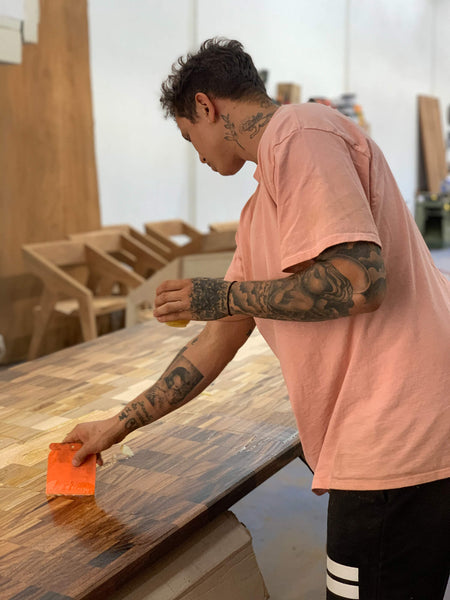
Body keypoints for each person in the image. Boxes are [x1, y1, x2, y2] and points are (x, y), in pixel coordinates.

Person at [64, 38, 450, 599]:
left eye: (186, 135)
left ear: (206, 107)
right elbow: (218, 338)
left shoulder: (301, 131)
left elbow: (360, 282)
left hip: (399, 437)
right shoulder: (260, 208)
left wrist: (221, 297)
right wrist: (118, 424)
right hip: (386, 436)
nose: (194, 152)